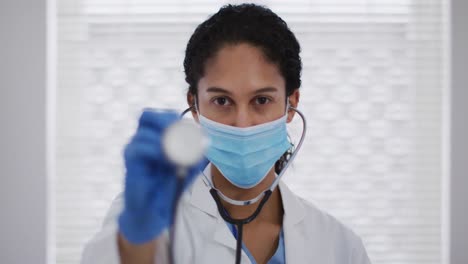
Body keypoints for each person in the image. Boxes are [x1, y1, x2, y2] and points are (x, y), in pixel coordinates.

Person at [81, 3, 371, 264]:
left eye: (261, 100)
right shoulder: (145, 223)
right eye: (222, 101)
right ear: (194, 106)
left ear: (291, 105)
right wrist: (138, 240)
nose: (242, 124)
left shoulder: (339, 246)